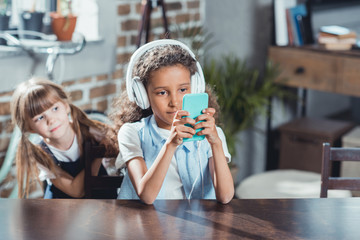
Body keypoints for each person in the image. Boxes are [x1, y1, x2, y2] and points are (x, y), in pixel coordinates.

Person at [110, 39, 234, 204]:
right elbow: (146, 196)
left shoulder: (214, 135)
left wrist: (216, 144)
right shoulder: (131, 133)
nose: (174, 102)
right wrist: (171, 144)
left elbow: (225, 197)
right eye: (162, 93)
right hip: (147, 225)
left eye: (183, 90)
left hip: (197, 227)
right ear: (143, 96)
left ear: (195, 88)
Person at [11, 77, 118, 199]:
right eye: (40, 118)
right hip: (63, 204)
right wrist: (98, 152)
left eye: (55, 109)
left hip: (99, 194)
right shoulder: (40, 152)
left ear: (66, 106)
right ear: (30, 128)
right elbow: (76, 191)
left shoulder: (87, 130)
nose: (51, 120)